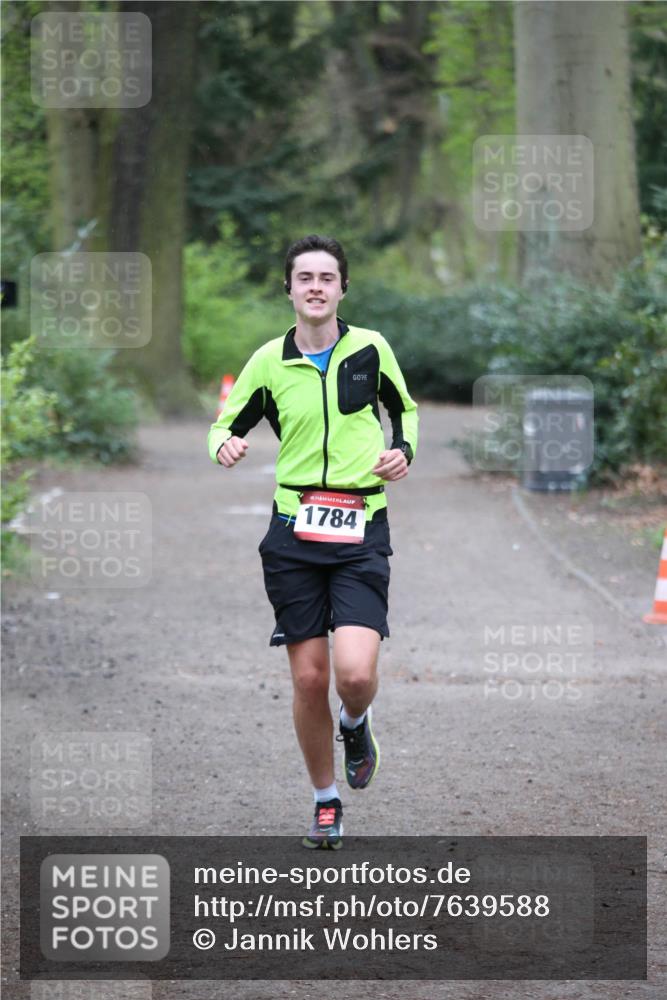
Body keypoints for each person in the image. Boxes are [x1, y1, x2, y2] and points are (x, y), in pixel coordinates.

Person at [208, 234, 418, 849]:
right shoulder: (269, 362)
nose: (317, 286)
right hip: (293, 531)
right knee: (307, 679)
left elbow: (404, 411)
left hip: (360, 527)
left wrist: (402, 451)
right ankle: (326, 801)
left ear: (343, 288)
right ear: (290, 289)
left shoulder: (371, 349)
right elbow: (226, 421)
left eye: (328, 277)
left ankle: (356, 723)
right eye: (305, 277)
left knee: (353, 675)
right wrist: (222, 444)